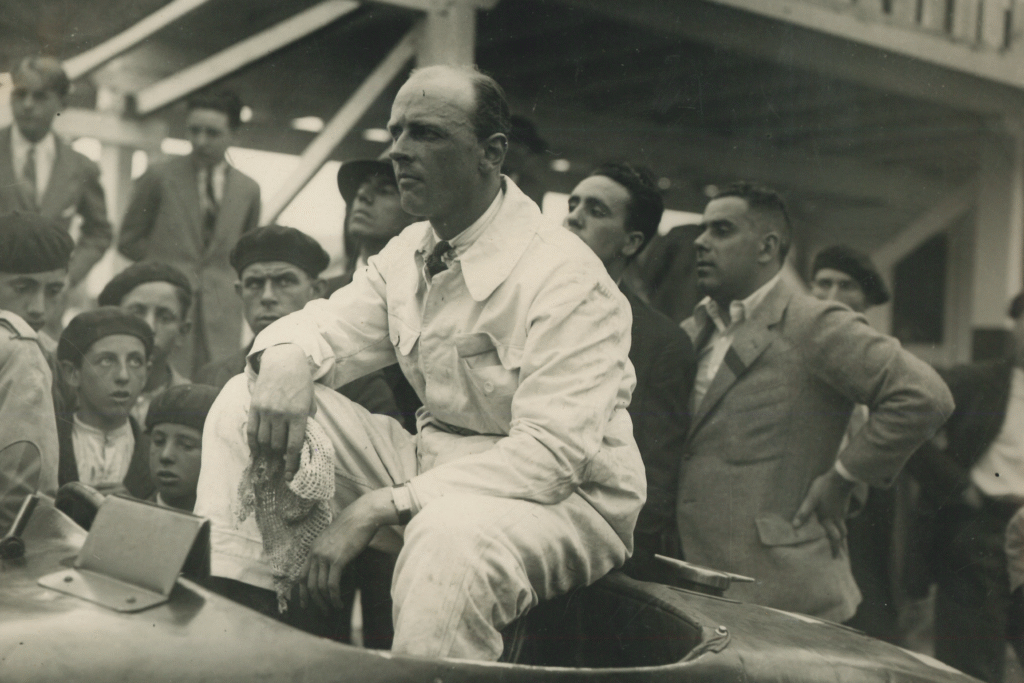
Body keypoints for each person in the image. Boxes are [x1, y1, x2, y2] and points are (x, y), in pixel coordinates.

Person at [195, 64, 644, 661]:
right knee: (242, 399)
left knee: (446, 535)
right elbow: (329, 322)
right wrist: (283, 354)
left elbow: (551, 457)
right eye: (396, 131)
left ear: (492, 152)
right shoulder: (412, 248)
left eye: (426, 134)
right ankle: (238, 639)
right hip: (434, 464)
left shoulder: (567, 276)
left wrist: (383, 505)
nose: (398, 152)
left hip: (567, 498)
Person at [676, 182, 953, 623]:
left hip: (781, 589)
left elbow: (925, 395)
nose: (701, 241)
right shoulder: (695, 330)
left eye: (721, 230)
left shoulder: (814, 323)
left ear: (767, 247)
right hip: (697, 584)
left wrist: (843, 478)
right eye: (703, 229)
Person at [563, 162, 694, 575]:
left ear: (631, 242)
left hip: (587, 557)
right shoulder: (511, 308)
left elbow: (651, 486)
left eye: (596, 210)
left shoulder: (660, 342)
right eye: (572, 203)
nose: (573, 216)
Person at [905, 292, 1024, 682]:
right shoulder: (979, 381)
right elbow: (908, 420)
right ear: (1015, 327)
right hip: (982, 532)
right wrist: (958, 487)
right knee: (968, 667)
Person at [117, 88, 261, 379]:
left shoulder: (248, 189)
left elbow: (248, 255)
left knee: (214, 388)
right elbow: (128, 239)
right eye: (193, 131)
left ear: (233, 134)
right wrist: (162, 270)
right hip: (166, 310)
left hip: (221, 317)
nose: (200, 141)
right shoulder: (159, 177)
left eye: (212, 133)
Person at [194, 224, 398, 416]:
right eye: (254, 283)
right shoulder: (211, 377)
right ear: (239, 292)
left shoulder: (355, 378)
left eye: (284, 281)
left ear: (316, 290)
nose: (267, 296)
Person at [809, 245, 898, 640]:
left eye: (845, 285)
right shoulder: (804, 348)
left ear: (866, 299)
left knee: (875, 619)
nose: (831, 296)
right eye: (822, 283)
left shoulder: (886, 359)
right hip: (816, 507)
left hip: (872, 508)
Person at [328, 153, 422, 434]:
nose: (362, 198)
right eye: (359, 190)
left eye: (384, 190)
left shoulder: (425, 293)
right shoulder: (321, 293)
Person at [0, 57, 111, 290]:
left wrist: (68, 278)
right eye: (20, 95)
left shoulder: (80, 166)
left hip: (46, 307)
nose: (28, 105)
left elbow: (99, 231)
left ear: (61, 103)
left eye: (40, 96)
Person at [0, 211, 73, 532]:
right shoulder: (21, 348)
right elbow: (24, 495)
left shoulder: (45, 348)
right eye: (23, 287)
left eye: (53, 290)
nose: (38, 308)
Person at [56, 307, 155, 498]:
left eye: (135, 362)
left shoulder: (155, 454)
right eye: (106, 361)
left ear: (146, 374)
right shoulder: (49, 441)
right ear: (72, 373)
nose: (123, 376)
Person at [98, 262, 193, 425]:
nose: (149, 327)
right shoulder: (88, 396)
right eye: (136, 313)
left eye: (165, 317)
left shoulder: (192, 402)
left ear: (182, 332)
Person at [146, 383, 219, 511]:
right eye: (159, 441)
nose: (165, 455)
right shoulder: (128, 520)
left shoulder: (234, 528)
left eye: (187, 445)